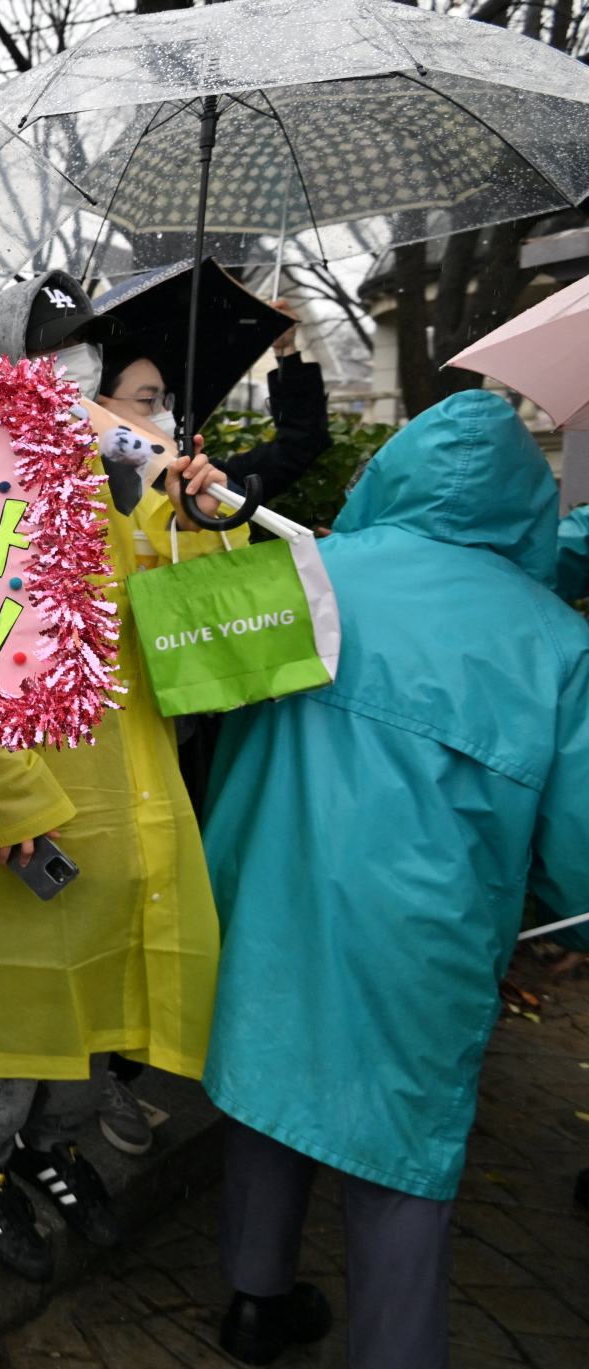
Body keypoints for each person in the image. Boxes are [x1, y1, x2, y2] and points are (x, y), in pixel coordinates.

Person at [200, 391, 589, 1369]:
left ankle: (251, 1302)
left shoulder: (301, 574)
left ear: (394, 472)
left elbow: (180, 699)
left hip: (266, 894)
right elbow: (576, 844)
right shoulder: (555, 642)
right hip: (426, 930)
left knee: (265, 1082)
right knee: (401, 1149)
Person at [0, 269, 234, 1283]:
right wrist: (8, 804)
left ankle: (52, 1152)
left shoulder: (123, 494)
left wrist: (200, 518)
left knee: (98, 1007)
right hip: (23, 823)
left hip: (124, 803)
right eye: (80, 376)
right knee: (6, 1022)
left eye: (130, 394)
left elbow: (187, 631)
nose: (104, 404)